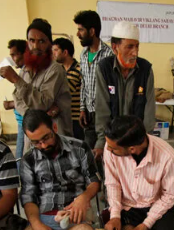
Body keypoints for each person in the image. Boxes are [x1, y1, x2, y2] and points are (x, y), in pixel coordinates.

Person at [0, 18, 73, 141]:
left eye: (41, 41)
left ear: (49, 44)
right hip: (33, 135)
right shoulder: (26, 69)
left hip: (55, 137)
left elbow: (43, 102)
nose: (35, 46)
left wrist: (17, 80)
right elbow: (18, 101)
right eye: (32, 41)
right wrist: (38, 115)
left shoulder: (54, 70)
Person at [94, 21, 156, 159]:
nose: (135, 52)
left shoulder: (145, 69)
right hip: (114, 140)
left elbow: (149, 108)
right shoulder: (104, 68)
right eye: (129, 47)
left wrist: (145, 141)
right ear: (115, 48)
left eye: (137, 46)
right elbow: (102, 109)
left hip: (137, 140)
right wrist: (101, 142)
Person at [73, 10, 114, 152]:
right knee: (88, 152)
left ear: (92, 31)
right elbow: (84, 83)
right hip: (89, 114)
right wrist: (82, 109)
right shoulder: (83, 54)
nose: (78, 34)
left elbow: (113, 88)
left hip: (104, 114)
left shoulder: (109, 55)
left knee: (105, 151)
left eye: (80, 30)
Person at [52, 38, 83, 141]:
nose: (53, 53)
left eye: (56, 50)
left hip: (75, 119)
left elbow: (63, 92)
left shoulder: (77, 70)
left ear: (65, 52)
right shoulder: (60, 70)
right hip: (64, 117)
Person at [2, 39, 27, 159]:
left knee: (21, 155)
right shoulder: (23, 71)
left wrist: (11, 104)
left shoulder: (29, 73)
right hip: (21, 120)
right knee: (20, 154)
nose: (12, 59)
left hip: (26, 120)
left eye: (13, 55)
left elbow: (29, 98)